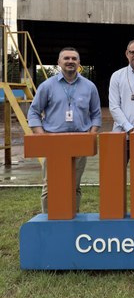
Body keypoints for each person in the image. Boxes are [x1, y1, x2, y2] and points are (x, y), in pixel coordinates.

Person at [27, 47, 101, 214]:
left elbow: (96, 114)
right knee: (50, 185)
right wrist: (42, 136)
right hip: (54, 142)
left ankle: (74, 219)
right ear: (59, 62)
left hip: (79, 141)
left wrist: (91, 135)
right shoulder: (47, 86)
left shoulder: (89, 87)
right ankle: (48, 220)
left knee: (74, 185)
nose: (70, 61)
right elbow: (33, 112)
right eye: (66, 58)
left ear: (79, 63)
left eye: (74, 58)